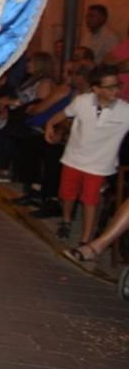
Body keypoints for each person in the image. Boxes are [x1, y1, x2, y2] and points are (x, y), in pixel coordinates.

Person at [45, 64, 129, 245]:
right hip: (73, 158)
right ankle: (66, 221)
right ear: (96, 89)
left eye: (117, 86)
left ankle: (85, 239)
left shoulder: (125, 110)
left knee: (90, 200)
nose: (115, 91)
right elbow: (64, 113)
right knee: (68, 194)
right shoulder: (82, 101)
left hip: (99, 165)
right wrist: (50, 124)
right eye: (109, 87)